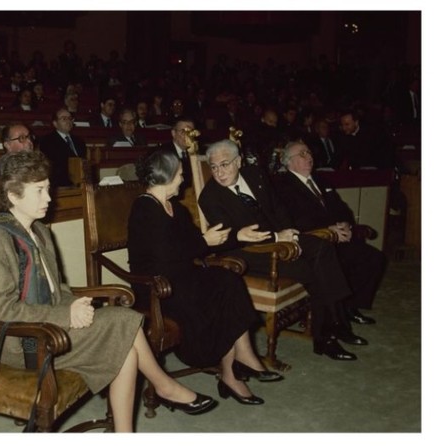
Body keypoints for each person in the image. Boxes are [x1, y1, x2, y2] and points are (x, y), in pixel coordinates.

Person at [0, 150, 216, 432]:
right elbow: (1, 312)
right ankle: (165, 386)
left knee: (126, 351)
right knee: (122, 319)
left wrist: (75, 303)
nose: (49, 197)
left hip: (47, 326)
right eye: (40, 191)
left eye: (48, 188)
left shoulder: (39, 231)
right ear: (13, 195)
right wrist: (66, 314)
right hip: (19, 343)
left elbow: (55, 288)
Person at [128, 150, 284, 407]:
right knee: (212, 294)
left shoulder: (175, 208)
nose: (183, 179)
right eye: (179, 174)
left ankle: (238, 362)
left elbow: (201, 243)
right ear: (165, 176)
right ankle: (231, 372)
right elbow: (166, 256)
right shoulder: (144, 208)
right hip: (156, 285)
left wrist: (238, 236)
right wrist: (203, 241)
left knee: (228, 280)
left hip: (181, 276)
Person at [198, 139, 367, 361]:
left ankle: (335, 325)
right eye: (214, 167)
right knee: (314, 270)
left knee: (322, 248)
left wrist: (291, 233)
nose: (219, 172)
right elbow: (235, 237)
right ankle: (329, 332)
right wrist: (278, 238)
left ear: (239, 161)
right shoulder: (210, 197)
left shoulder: (255, 174)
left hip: (279, 240)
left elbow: (277, 207)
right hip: (247, 251)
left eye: (225, 164)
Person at [277, 141, 387, 324]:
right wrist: (327, 230)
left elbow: (341, 208)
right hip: (313, 243)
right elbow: (294, 220)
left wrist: (346, 224)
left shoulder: (320, 180)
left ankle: (351, 307)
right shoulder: (283, 186)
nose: (309, 156)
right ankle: (335, 317)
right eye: (302, 154)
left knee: (375, 259)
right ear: (289, 162)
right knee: (341, 263)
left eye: (309, 152)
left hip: (336, 237)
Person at [39, 108, 87, 187]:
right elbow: (52, 167)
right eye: (64, 119)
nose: (68, 121)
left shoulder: (79, 141)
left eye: (70, 118)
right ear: (55, 123)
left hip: (80, 183)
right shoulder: (47, 141)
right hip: (60, 185)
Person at [0, 123, 34, 194]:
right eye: (22, 138)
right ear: (8, 145)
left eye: (29, 137)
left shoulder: (38, 162)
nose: (29, 142)